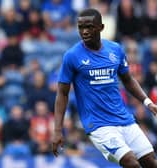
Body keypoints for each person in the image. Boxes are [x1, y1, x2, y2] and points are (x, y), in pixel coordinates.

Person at [52, 8, 157, 168]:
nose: (84, 31)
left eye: (89, 27)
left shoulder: (115, 49)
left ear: (101, 27)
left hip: (125, 120)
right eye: (81, 27)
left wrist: (147, 102)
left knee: (150, 162)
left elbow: (128, 80)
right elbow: (62, 93)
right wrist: (58, 130)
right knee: (131, 163)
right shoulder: (72, 56)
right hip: (99, 125)